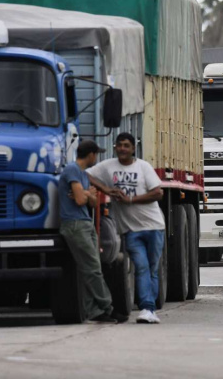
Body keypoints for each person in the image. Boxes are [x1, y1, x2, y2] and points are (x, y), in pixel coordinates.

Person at [88, 133, 166, 324]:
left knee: (152, 269)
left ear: (133, 149)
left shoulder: (143, 167)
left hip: (154, 226)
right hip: (131, 231)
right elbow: (85, 174)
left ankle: (150, 310)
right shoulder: (108, 166)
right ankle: (147, 308)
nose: (122, 148)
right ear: (115, 147)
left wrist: (130, 200)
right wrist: (105, 189)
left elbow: (158, 193)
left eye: (126, 145)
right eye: (119, 145)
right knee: (141, 267)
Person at [58, 140, 119, 324]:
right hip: (75, 224)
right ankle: (108, 307)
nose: (97, 158)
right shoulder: (72, 170)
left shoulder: (83, 174)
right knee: (92, 269)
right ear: (91, 154)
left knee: (90, 269)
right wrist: (86, 194)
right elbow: (78, 200)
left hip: (85, 223)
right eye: (96, 154)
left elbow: (92, 202)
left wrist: (88, 194)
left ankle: (93, 311)